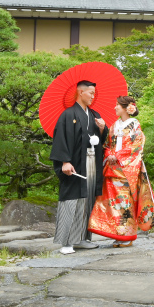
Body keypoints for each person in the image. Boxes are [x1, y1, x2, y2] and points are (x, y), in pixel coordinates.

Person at [88, 95, 154, 247]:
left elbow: (136, 147)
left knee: (125, 202)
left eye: (117, 105)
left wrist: (117, 156)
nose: (115, 108)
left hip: (126, 169)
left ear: (127, 108)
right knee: (114, 203)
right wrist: (109, 155)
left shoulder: (135, 125)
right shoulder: (114, 125)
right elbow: (107, 145)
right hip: (113, 169)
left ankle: (128, 236)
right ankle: (118, 234)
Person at [50, 80, 108, 255]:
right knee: (72, 201)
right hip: (74, 164)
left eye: (94, 93)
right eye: (90, 92)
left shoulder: (94, 114)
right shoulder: (68, 115)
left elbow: (102, 139)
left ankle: (82, 238)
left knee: (88, 199)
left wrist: (103, 129)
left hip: (91, 163)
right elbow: (60, 139)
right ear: (80, 92)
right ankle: (66, 241)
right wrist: (64, 161)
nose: (93, 96)